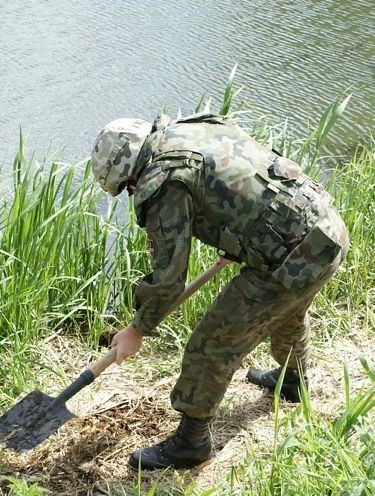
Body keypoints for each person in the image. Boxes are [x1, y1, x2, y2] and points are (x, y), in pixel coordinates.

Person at [91, 113, 349, 471]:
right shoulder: (189, 129)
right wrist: (242, 229)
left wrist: (137, 329)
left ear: (130, 174)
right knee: (286, 310)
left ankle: (191, 442)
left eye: (126, 189)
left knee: (212, 342)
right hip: (326, 228)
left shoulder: (162, 182)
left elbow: (168, 279)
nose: (131, 194)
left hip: (294, 251)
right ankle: (293, 382)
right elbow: (242, 176)